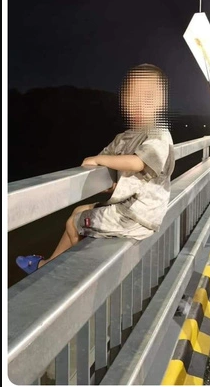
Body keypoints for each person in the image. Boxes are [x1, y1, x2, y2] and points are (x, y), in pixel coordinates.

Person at [16, 64, 175, 274]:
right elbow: (109, 163)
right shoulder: (124, 137)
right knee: (78, 211)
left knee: (74, 223)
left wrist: (99, 159)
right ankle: (53, 265)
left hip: (137, 217)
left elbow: (137, 162)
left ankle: (59, 273)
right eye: (131, 96)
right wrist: (104, 178)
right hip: (126, 208)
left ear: (160, 102)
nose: (137, 104)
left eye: (146, 97)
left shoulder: (158, 134)